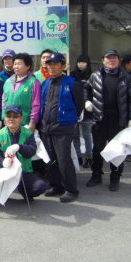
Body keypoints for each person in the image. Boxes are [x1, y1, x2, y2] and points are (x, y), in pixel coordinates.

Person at [84, 49, 131, 191]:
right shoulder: (95, 76)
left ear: (119, 60)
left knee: (118, 150)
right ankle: (96, 175)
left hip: (118, 119)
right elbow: (85, 89)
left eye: (114, 58)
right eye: (108, 58)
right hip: (99, 118)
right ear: (103, 60)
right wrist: (86, 101)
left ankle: (115, 177)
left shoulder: (126, 77)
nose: (111, 60)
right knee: (97, 149)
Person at [39, 53, 84, 203]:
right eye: (49, 64)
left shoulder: (72, 82)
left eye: (55, 64)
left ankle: (71, 189)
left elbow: (79, 105)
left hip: (63, 127)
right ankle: (56, 186)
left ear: (63, 66)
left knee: (64, 160)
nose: (51, 67)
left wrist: (70, 120)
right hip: (46, 128)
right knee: (50, 160)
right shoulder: (45, 83)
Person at [0, 104, 48, 201]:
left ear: (21, 118)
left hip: (23, 172)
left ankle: (23, 190)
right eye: (8, 116)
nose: (11, 119)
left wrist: (20, 147)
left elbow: (31, 151)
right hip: (5, 172)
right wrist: (2, 162)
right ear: (5, 119)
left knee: (41, 187)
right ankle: (1, 194)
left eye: (15, 116)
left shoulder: (28, 133)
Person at [70, 54, 94, 168]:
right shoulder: (72, 75)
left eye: (83, 62)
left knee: (86, 134)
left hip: (87, 109)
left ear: (87, 64)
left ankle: (89, 157)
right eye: (79, 62)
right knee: (75, 135)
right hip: (74, 109)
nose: (81, 64)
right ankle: (78, 156)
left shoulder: (92, 75)